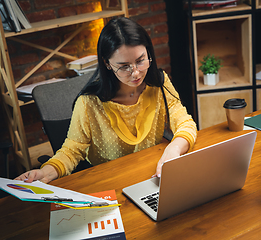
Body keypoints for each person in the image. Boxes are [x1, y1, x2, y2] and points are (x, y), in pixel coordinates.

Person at [15, 17, 197, 183]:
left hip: (152, 174)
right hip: (110, 183)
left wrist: (174, 148)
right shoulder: (89, 103)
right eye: (124, 66)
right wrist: (45, 172)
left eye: (141, 60)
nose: (136, 73)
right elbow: (72, 150)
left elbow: (184, 121)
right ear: (107, 64)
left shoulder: (159, 82)